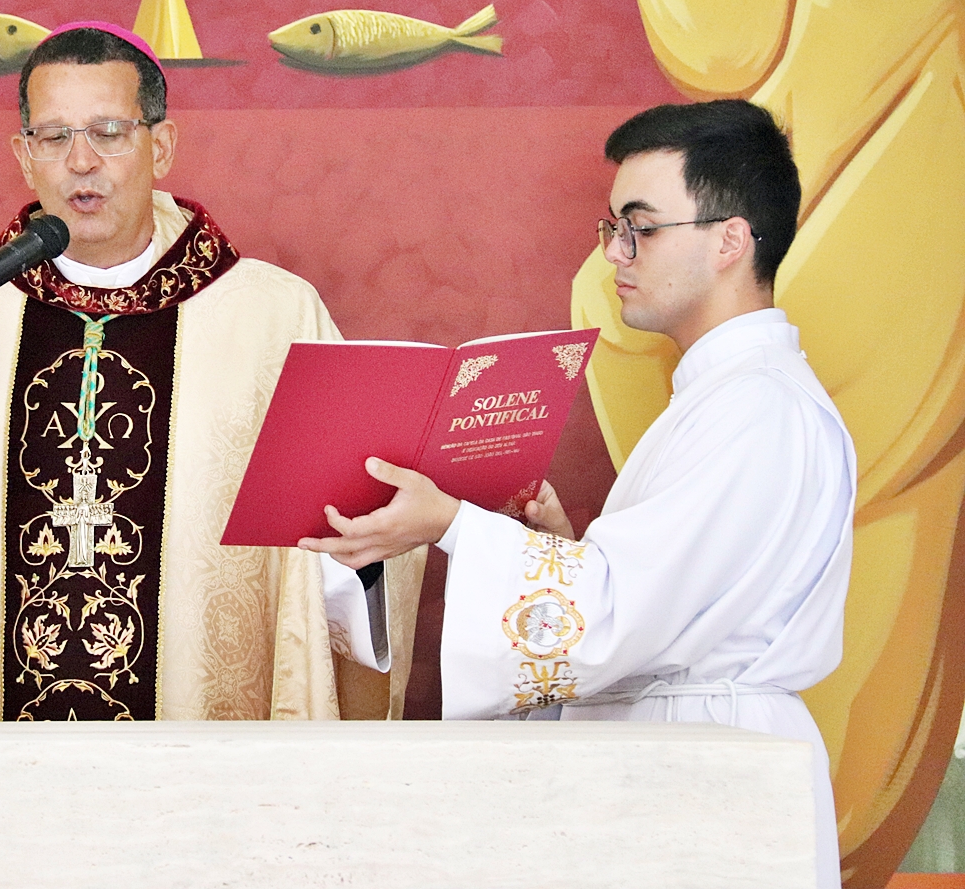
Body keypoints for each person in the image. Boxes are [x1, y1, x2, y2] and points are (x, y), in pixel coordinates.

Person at [0, 23, 427, 722]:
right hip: (0, 755)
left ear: (161, 146)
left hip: (205, 745)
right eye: (53, 137)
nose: (81, 161)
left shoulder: (274, 319)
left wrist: (365, 531)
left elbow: (346, 545)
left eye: (108, 132)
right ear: (24, 157)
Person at [301, 99, 854, 887]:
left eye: (641, 228)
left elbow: (619, 617)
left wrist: (452, 523)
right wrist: (561, 550)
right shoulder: (728, 398)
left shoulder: (756, 407)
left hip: (711, 774)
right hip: (684, 757)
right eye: (612, 228)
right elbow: (665, 600)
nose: (614, 254)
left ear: (731, 240)